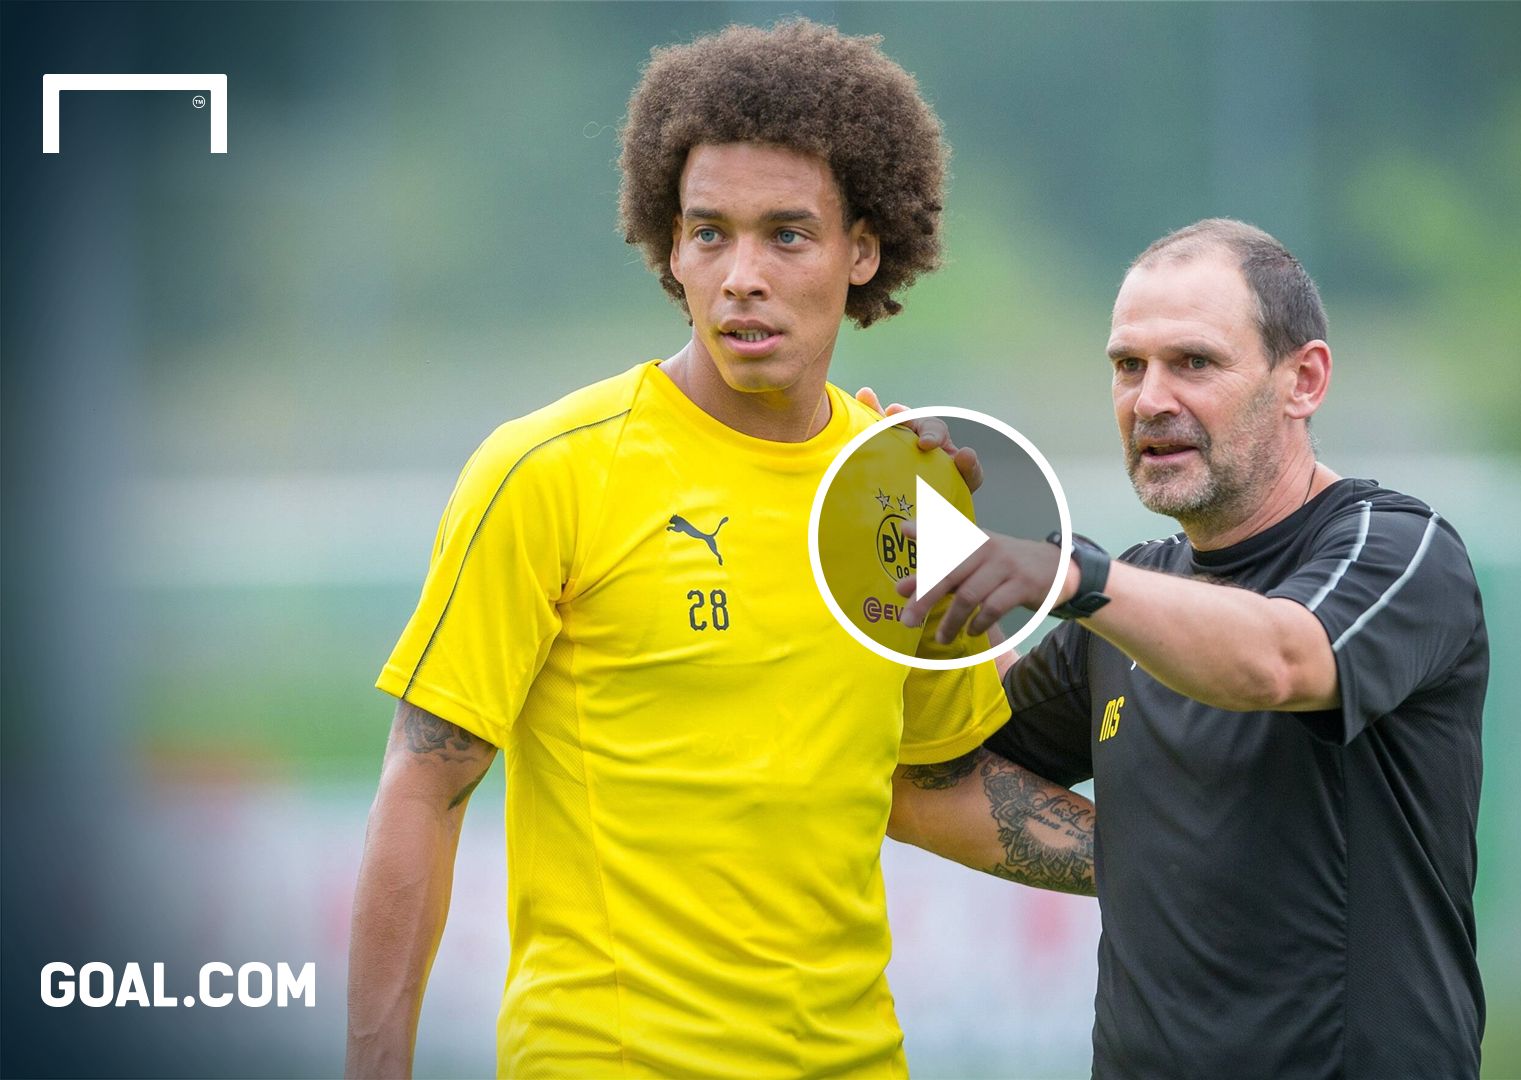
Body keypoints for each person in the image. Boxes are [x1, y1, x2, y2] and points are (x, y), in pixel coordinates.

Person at [345, 20, 1093, 1078]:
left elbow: (933, 788)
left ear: (863, 251)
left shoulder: (902, 494)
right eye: (709, 234)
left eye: (787, 234)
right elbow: (423, 792)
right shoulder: (550, 471)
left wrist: (1167, 861)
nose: (741, 275)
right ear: (671, 247)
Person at [902, 218, 1489, 1077]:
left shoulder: (1400, 548)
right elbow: (936, 775)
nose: (1150, 399)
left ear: (1304, 379)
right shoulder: (1128, 599)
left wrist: (1072, 577)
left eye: (1195, 363)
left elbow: (1281, 659)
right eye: (1127, 366)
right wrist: (910, 546)